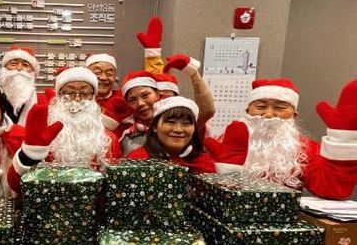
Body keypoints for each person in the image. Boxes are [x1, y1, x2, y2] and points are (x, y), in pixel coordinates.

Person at [206, 78, 357, 198]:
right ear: (247, 110)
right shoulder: (225, 142)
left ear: (294, 114)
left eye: (280, 108)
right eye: (260, 107)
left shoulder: (307, 149)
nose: (268, 114)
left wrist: (342, 138)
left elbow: (331, 190)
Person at [127, 96, 215, 174]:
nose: (178, 130)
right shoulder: (137, 160)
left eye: (186, 123)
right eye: (171, 122)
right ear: (155, 127)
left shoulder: (204, 163)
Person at [0, 46, 48, 126]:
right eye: (13, 64)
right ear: (4, 68)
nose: (19, 68)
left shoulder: (43, 102)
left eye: (25, 65)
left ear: (33, 72)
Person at [85, 53, 133, 135]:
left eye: (109, 74)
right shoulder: (78, 100)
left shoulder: (125, 99)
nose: (103, 78)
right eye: (97, 73)